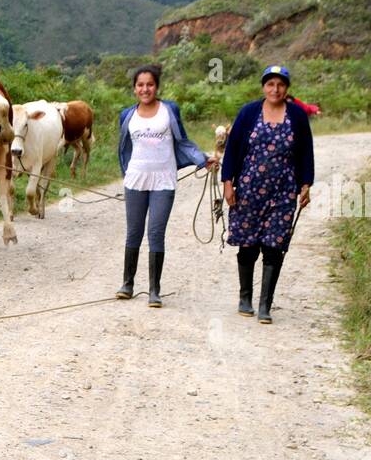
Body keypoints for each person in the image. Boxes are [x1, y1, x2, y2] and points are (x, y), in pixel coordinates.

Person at [115, 64, 218, 305]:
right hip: (136, 179)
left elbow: (182, 141)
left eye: (149, 84)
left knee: (156, 233)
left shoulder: (169, 110)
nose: (145, 89)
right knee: (133, 233)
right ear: (134, 89)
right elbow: (123, 148)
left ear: (157, 86)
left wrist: (202, 159)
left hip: (164, 180)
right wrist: (126, 172)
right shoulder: (126, 115)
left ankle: (154, 291)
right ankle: (127, 284)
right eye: (140, 85)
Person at [220, 64, 315, 324]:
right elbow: (234, 148)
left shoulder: (296, 115)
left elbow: (306, 151)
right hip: (249, 188)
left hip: (284, 190)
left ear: (287, 88)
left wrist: (305, 184)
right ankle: (245, 298)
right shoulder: (249, 112)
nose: (275, 89)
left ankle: (265, 305)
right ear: (264, 86)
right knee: (248, 243)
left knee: (274, 246)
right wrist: (228, 182)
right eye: (271, 84)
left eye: (281, 84)